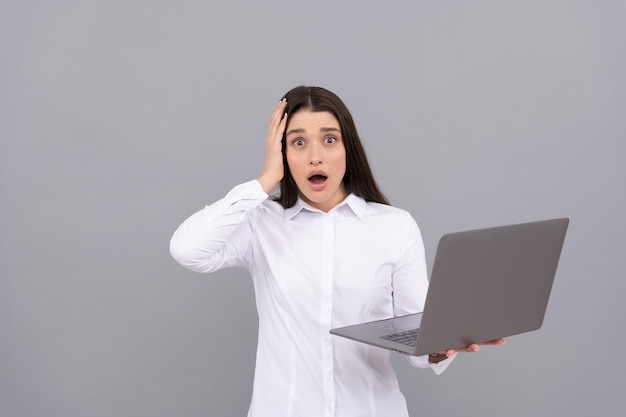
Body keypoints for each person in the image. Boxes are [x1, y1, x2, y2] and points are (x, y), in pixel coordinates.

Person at [169, 86, 504, 417]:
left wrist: (440, 347)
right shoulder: (260, 223)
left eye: (329, 139)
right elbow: (187, 249)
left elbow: (417, 334)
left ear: (348, 149)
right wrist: (266, 178)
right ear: (282, 152)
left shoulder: (395, 226)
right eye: (298, 142)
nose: (315, 156)